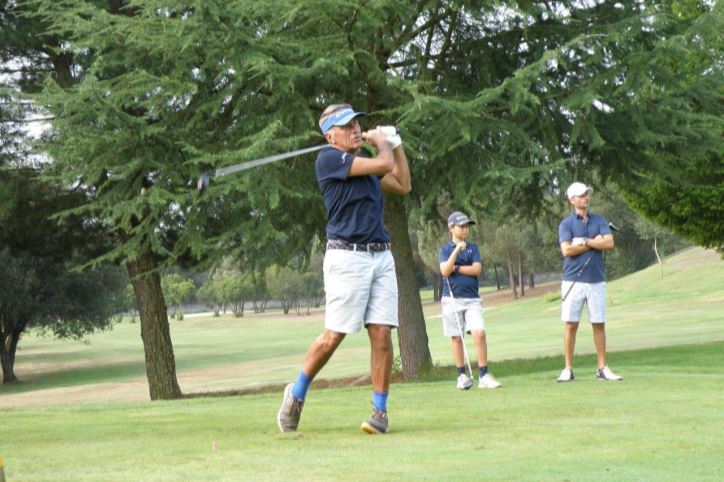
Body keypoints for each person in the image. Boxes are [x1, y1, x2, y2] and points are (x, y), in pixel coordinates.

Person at [277, 104, 411, 434]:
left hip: (380, 255)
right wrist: (382, 144)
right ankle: (296, 394)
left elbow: (402, 183)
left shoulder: (365, 169)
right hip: (346, 257)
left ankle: (379, 412)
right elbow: (383, 163)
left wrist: (397, 143)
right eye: (345, 125)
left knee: (381, 333)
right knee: (334, 336)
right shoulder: (329, 159)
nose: (354, 129)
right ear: (329, 136)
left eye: (356, 123)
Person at [557, 182, 622, 382]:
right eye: (581, 195)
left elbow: (609, 243)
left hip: (596, 279)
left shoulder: (599, 219)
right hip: (572, 280)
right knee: (571, 325)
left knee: (599, 324)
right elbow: (567, 250)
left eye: (586, 194)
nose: (586, 197)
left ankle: (602, 368)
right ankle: (568, 369)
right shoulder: (566, 224)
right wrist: (595, 242)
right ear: (572, 200)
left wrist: (584, 241)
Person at [439, 211, 501, 390]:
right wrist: (457, 250)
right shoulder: (445, 250)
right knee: (456, 338)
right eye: (462, 226)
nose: (465, 229)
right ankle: (461, 375)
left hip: (472, 299)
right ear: (451, 228)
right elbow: (444, 271)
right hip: (452, 299)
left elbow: (476, 269)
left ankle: (484, 375)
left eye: (467, 226)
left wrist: (457, 268)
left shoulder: (474, 248)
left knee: (479, 333)